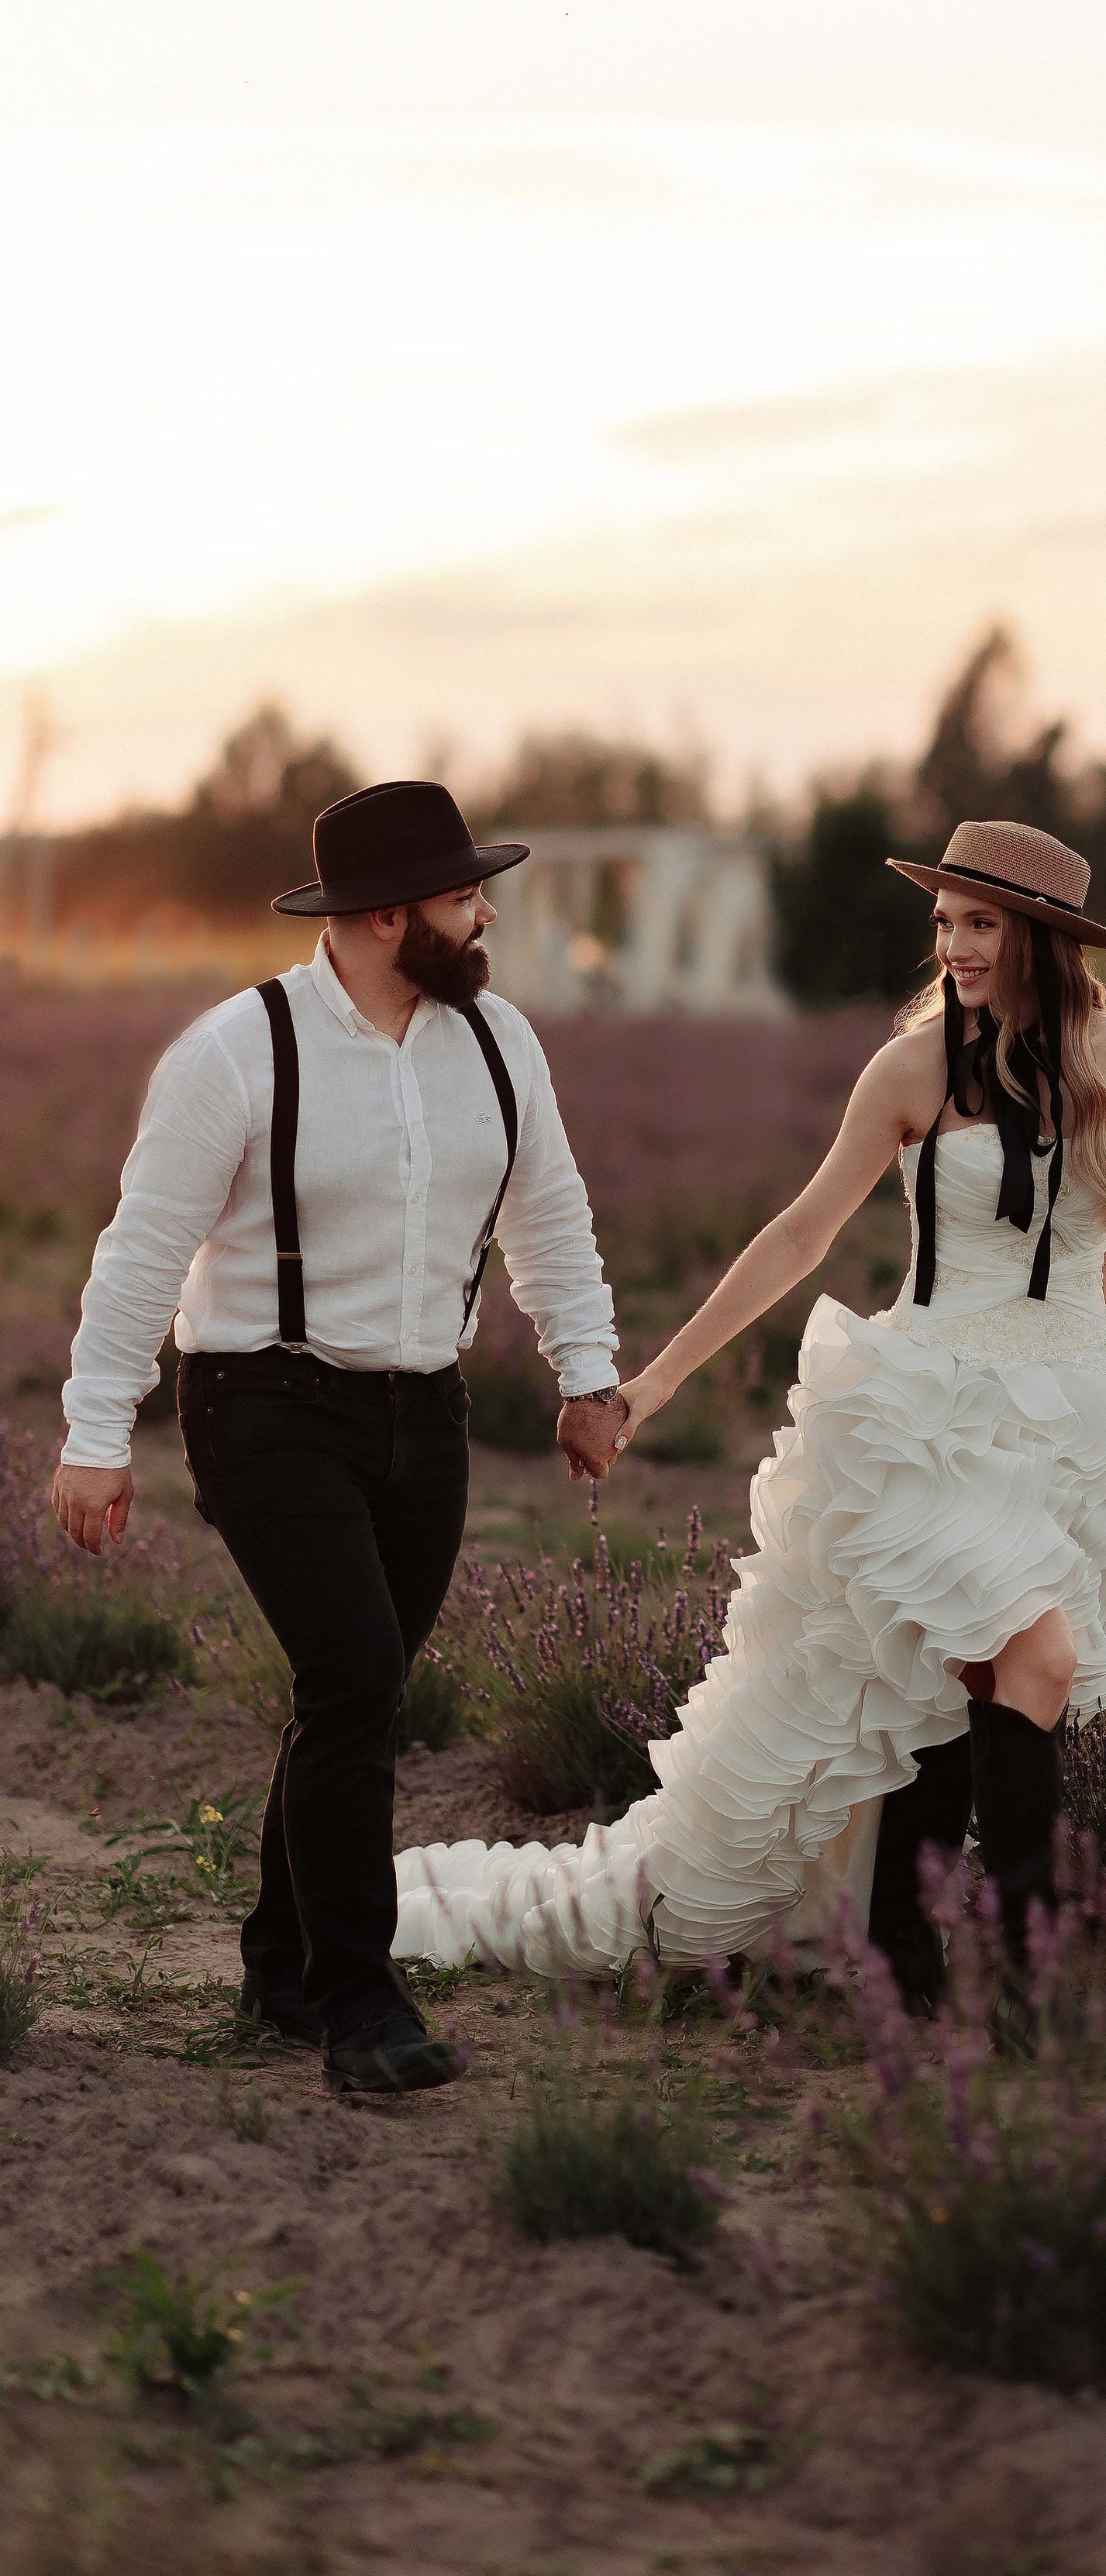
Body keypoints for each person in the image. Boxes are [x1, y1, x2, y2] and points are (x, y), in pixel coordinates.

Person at [394, 818, 1106, 2005]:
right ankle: (1021, 1984)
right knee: (1035, 1653)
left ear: (1042, 937)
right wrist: (657, 1380)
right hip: (931, 1411)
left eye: (980, 924)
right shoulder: (914, 1069)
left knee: (965, 1681)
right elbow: (801, 1232)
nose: (954, 946)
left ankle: (912, 1964)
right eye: (944, 923)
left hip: (1068, 1414)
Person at [50, 782, 625, 2092]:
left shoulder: (500, 1044)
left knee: (350, 1693)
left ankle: (282, 1964)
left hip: (427, 1412)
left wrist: (588, 1377)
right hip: (264, 1401)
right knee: (360, 1676)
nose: (484, 914)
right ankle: (363, 2007)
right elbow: (142, 1251)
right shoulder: (234, 1052)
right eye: (462, 895)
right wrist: (95, 1433)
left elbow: (551, 1213)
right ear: (383, 917)